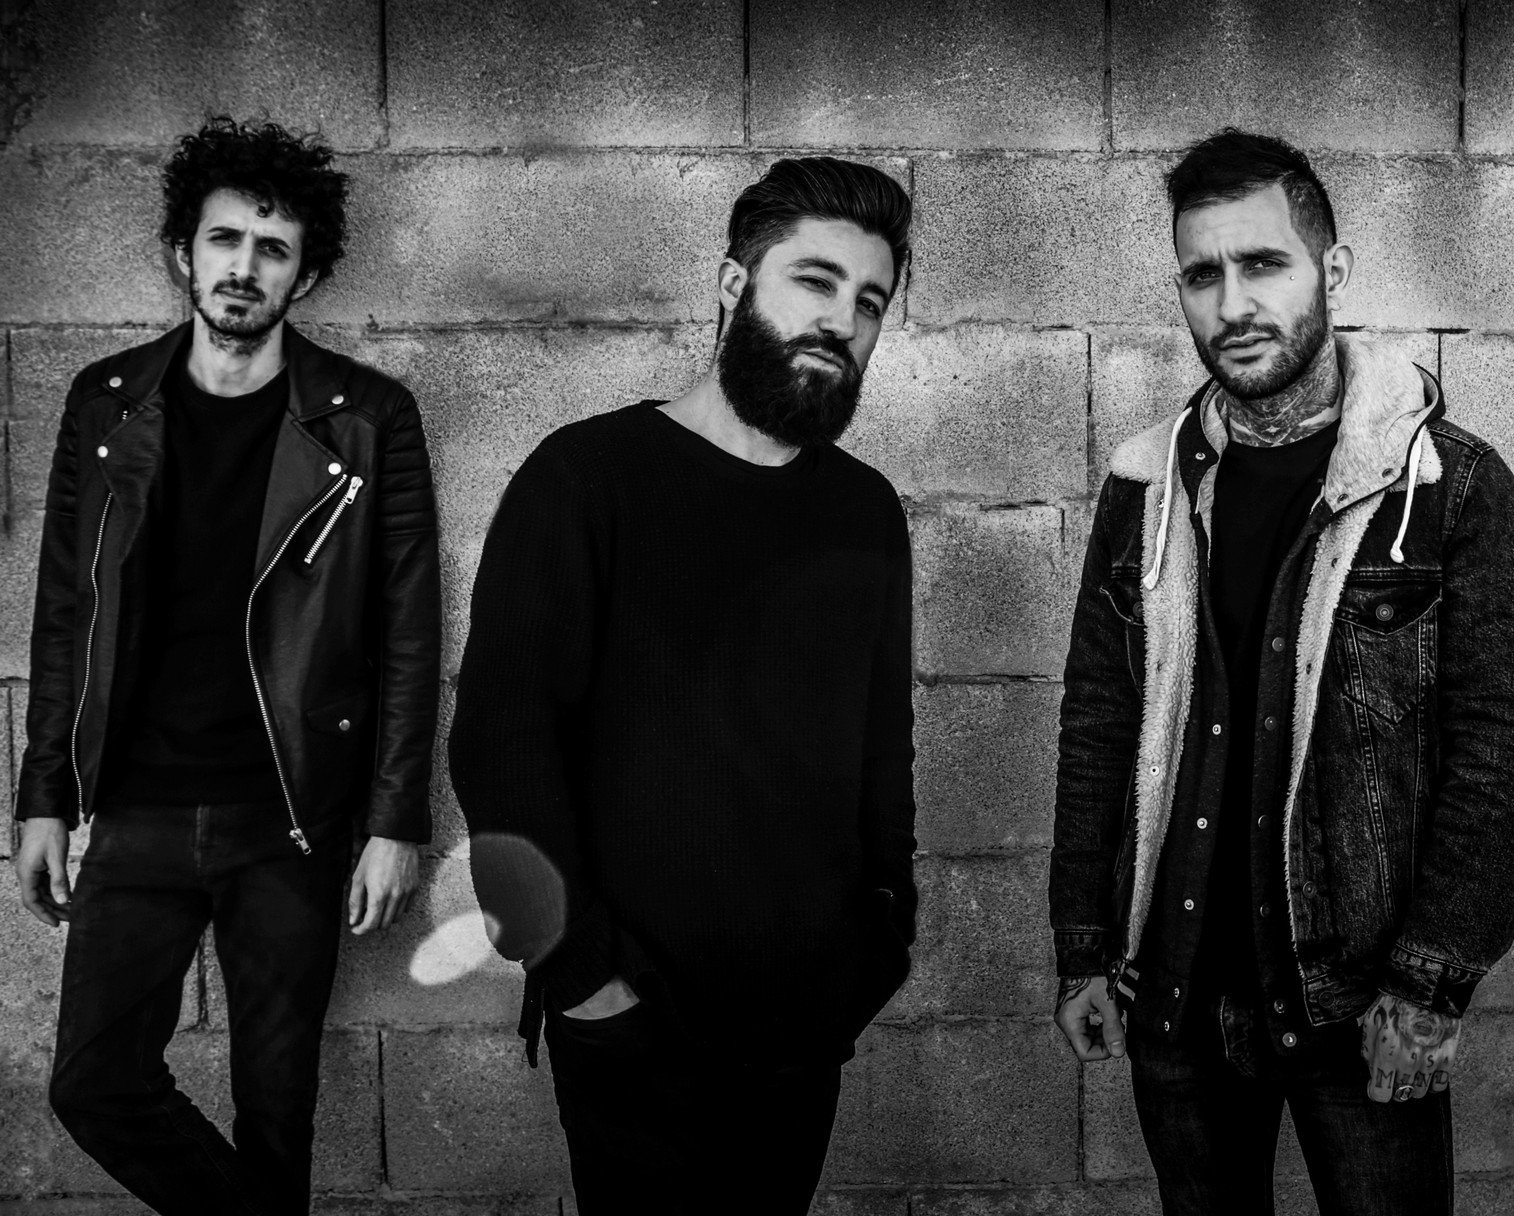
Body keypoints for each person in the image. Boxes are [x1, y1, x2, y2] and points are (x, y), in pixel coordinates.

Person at [1049, 129, 1514, 1216]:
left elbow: (1500, 752)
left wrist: (1428, 988)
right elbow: (1098, 719)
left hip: (1360, 1005)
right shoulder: (1144, 485)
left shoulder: (1450, 487)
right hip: (1174, 992)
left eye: (1262, 264)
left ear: (1331, 269)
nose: (1232, 303)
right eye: (1202, 274)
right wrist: (1083, 946)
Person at [448, 157, 918, 1215]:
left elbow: (881, 749)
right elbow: (500, 748)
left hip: (802, 1026)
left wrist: (878, 941)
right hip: (630, 1021)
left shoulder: (864, 511)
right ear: (731, 284)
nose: (841, 320)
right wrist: (583, 980)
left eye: (868, 301)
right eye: (814, 280)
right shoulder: (585, 479)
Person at [12, 116, 441, 1215]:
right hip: (136, 805)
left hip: (289, 815)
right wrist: (43, 796)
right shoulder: (106, 403)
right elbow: (65, 610)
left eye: (273, 248)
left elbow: (407, 631)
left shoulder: (367, 419)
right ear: (182, 253)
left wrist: (395, 819)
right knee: (93, 1082)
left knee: (276, 1115)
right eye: (224, 240)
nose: (244, 266)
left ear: (307, 276)